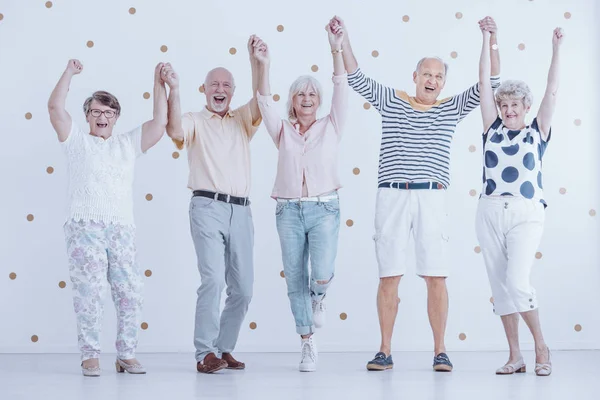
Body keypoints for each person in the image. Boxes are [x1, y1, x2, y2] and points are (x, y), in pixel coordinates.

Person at [330, 15, 501, 372]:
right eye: (427, 74)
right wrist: (342, 39)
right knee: (388, 274)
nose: (433, 81)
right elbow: (357, 78)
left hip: (432, 197)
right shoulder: (393, 101)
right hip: (392, 195)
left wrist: (491, 39)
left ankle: (440, 350)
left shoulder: (451, 107)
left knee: (436, 275)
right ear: (415, 76)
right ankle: (384, 350)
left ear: (443, 83)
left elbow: (492, 84)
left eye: (439, 76)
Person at [48, 59, 170, 376]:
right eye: (96, 112)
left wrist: (159, 83)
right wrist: (69, 73)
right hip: (84, 227)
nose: (103, 117)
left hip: (121, 229)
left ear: (116, 118)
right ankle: (90, 354)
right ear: (87, 116)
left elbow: (159, 123)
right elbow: (54, 107)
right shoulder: (75, 141)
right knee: (89, 294)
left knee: (130, 292)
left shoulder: (127, 144)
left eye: (109, 112)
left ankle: (126, 353)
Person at [164, 36, 266, 374]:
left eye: (225, 85)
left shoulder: (241, 119)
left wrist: (259, 62)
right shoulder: (194, 119)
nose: (219, 89)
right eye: (213, 85)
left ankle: (223, 348)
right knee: (213, 280)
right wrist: (174, 90)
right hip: (207, 206)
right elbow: (175, 128)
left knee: (245, 288)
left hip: (242, 210)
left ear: (232, 92)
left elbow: (262, 98)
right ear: (204, 90)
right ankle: (203, 353)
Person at [255, 22, 347, 372]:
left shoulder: (332, 125)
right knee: (294, 276)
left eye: (312, 95)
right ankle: (307, 342)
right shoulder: (282, 131)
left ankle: (319, 296)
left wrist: (335, 46)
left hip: (325, 208)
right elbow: (263, 100)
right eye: (300, 95)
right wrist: (263, 64)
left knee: (320, 273)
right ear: (292, 101)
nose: (306, 100)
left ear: (318, 101)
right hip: (288, 211)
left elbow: (341, 84)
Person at [476, 22, 563, 377]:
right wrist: (485, 38)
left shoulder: (536, 131)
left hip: (527, 212)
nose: (509, 109)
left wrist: (557, 49)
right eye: (504, 104)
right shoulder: (491, 128)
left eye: (515, 104)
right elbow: (483, 82)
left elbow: (552, 90)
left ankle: (541, 345)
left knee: (517, 281)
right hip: (490, 209)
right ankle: (516, 355)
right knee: (500, 287)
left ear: (526, 106)